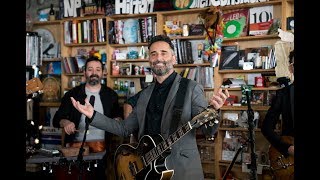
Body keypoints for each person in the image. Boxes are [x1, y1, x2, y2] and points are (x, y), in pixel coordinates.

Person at [70, 35, 229, 179]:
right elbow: (124, 129)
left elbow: (209, 130)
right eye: (153, 54)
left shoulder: (191, 88)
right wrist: (92, 114)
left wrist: (215, 111)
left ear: (173, 58)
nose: (158, 57)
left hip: (182, 171)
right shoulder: (144, 94)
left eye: (163, 53)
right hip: (147, 170)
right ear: (149, 61)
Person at [52, 56, 122, 179]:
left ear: (103, 72)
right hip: (76, 149)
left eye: (98, 69)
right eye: (90, 69)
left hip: (104, 150)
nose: (94, 73)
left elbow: (118, 118)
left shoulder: (111, 95)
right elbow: (57, 119)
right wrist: (66, 122)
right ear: (84, 72)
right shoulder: (72, 94)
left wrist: (117, 121)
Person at [261, 50, 294, 178]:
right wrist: (287, 148)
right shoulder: (283, 94)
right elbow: (266, 128)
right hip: (289, 161)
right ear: (291, 68)